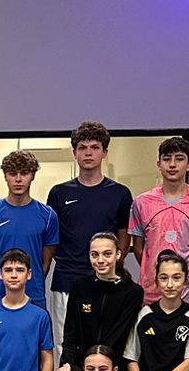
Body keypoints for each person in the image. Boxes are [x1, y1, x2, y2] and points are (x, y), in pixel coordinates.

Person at [44, 121, 133, 342]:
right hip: (66, 280)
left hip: (106, 281)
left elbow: (124, 235)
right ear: (74, 152)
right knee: (63, 342)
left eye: (94, 147)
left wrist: (112, 266)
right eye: (82, 147)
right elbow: (51, 239)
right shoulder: (58, 193)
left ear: (104, 152)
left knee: (103, 342)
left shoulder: (120, 193)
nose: (88, 153)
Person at [54, 231, 142, 371]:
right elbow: (70, 335)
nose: (100, 260)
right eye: (95, 255)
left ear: (118, 254)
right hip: (80, 370)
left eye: (107, 254)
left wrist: (84, 369)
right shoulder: (80, 287)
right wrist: (68, 367)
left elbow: (117, 338)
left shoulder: (132, 292)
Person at [129, 135, 189, 309]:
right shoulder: (141, 202)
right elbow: (139, 248)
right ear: (158, 164)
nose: (172, 164)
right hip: (150, 294)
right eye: (167, 159)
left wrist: (184, 276)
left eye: (179, 159)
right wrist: (154, 271)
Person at [0, 150, 57, 311]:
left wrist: (30, 281)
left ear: (32, 176)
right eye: (13, 174)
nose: (18, 179)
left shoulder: (48, 216)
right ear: (5, 176)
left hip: (33, 296)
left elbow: (45, 263)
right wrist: (0, 283)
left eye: (24, 173)